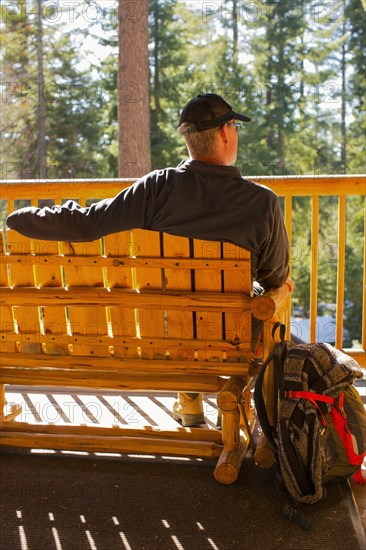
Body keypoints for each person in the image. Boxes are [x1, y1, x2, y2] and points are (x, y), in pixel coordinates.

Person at [6, 93, 292, 427]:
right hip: (232, 335)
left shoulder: (156, 188)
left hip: (164, 332)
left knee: (185, 308)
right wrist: (280, 286)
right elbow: (275, 276)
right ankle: (256, 412)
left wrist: (19, 218)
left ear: (189, 140)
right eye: (234, 127)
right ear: (226, 134)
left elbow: (85, 224)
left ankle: (189, 400)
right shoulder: (263, 202)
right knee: (267, 298)